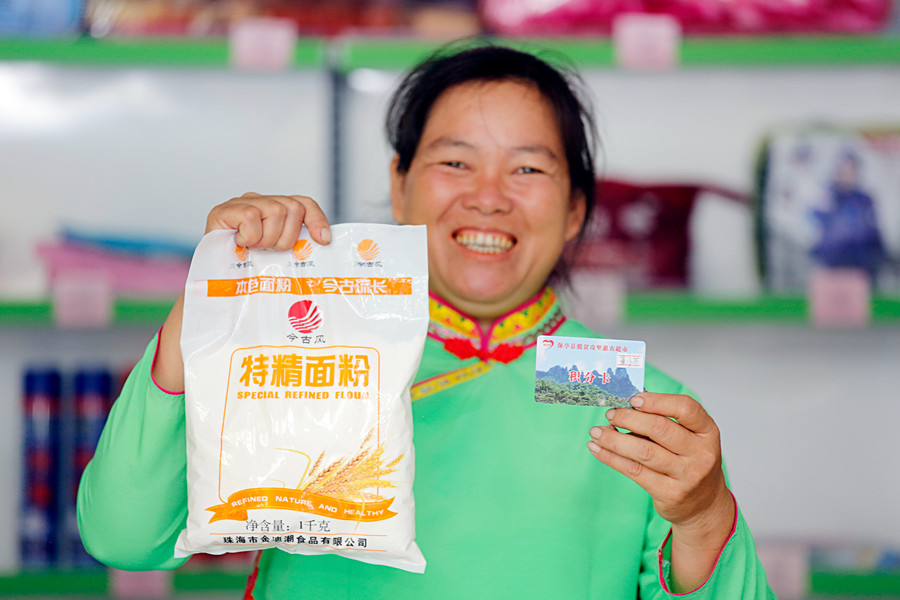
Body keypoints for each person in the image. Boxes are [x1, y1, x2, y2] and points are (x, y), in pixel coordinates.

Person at [78, 42, 774, 599]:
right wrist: (215, 295)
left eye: (528, 170)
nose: (488, 197)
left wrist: (705, 514)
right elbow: (123, 537)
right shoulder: (306, 351)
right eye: (455, 161)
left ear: (575, 212)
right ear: (399, 185)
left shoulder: (635, 402)